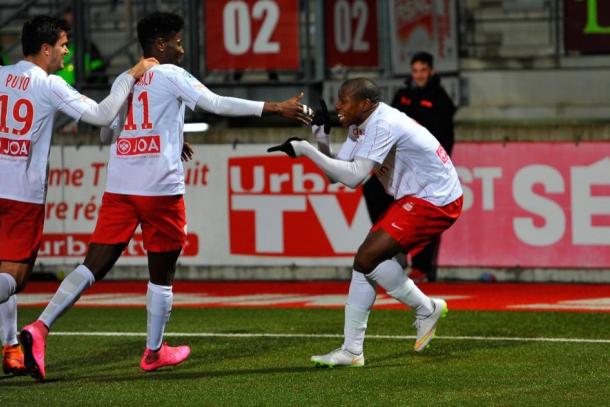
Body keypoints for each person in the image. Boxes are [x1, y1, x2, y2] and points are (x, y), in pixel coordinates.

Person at [20, 11, 312, 381]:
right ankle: (154, 351)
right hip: (160, 190)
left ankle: (40, 327)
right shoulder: (171, 74)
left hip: (121, 188)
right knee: (162, 275)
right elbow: (216, 104)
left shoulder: (129, 77)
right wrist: (275, 107)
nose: (182, 48)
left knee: (91, 267)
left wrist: (170, 135)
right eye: (176, 41)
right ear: (160, 45)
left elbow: (106, 136)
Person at [0, 16, 157, 376]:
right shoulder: (49, 84)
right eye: (62, 45)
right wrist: (130, 74)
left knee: (2, 270)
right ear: (45, 49)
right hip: (21, 195)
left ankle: (11, 348)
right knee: (15, 277)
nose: (66, 52)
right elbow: (103, 115)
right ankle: (10, 347)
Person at [267, 78, 462, 367]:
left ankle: (425, 309)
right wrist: (320, 136)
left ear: (366, 104)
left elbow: (355, 177)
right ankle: (353, 350)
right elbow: (338, 175)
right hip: (416, 195)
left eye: (344, 100)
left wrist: (307, 151)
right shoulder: (361, 124)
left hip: (436, 198)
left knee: (366, 258)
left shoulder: (382, 124)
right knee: (364, 263)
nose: (337, 106)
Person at [363, 51, 457, 282]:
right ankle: (392, 246)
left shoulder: (441, 100)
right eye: (415, 71)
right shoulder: (403, 96)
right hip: (399, 165)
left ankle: (422, 268)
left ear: (431, 71)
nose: (419, 75)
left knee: (426, 211)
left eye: (423, 71)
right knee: (372, 190)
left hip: (425, 168)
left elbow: (445, 138)